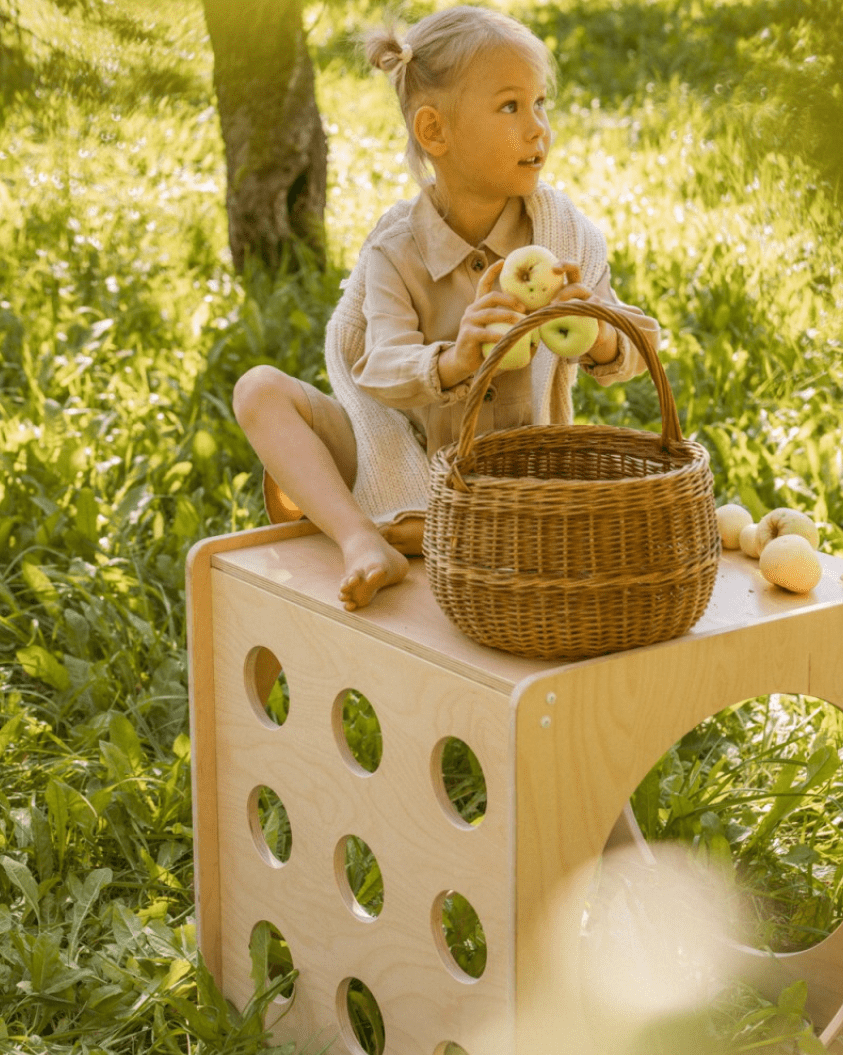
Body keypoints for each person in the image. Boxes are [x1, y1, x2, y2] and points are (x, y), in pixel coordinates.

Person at [233, 4, 659, 612]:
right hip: (400, 460)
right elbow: (377, 368)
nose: (538, 127)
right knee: (258, 391)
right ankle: (363, 539)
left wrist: (598, 334)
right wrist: (455, 360)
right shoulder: (396, 250)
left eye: (542, 104)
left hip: (523, 480)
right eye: (511, 107)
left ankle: (428, 535)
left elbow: (639, 351)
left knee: (602, 511)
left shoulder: (561, 235)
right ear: (435, 132)